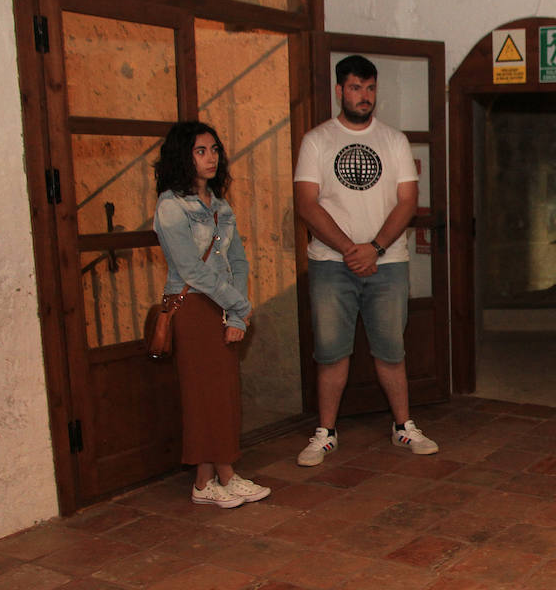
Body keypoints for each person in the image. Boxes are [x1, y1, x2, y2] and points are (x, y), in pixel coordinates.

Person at [293, 54, 438, 466]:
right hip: (330, 262)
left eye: (371, 88)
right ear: (340, 91)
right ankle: (325, 433)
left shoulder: (393, 140)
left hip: (387, 262)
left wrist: (373, 248)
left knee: (391, 349)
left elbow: (407, 202)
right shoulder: (317, 140)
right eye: (356, 88)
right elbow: (307, 203)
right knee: (331, 351)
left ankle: (404, 427)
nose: (364, 97)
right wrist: (348, 249)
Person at [153, 122, 271, 508]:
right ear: (182, 156)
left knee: (221, 392)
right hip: (193, 306)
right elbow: (192, 270)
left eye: (215, 150)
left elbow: (237, 260)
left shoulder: (220, 206)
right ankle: (222, 476)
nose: (211, 158)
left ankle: (210, 479)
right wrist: (237, 305)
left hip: (223, 304)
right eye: (201, 150)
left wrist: (238, 314)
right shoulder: (172, 206)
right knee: (205, 394)